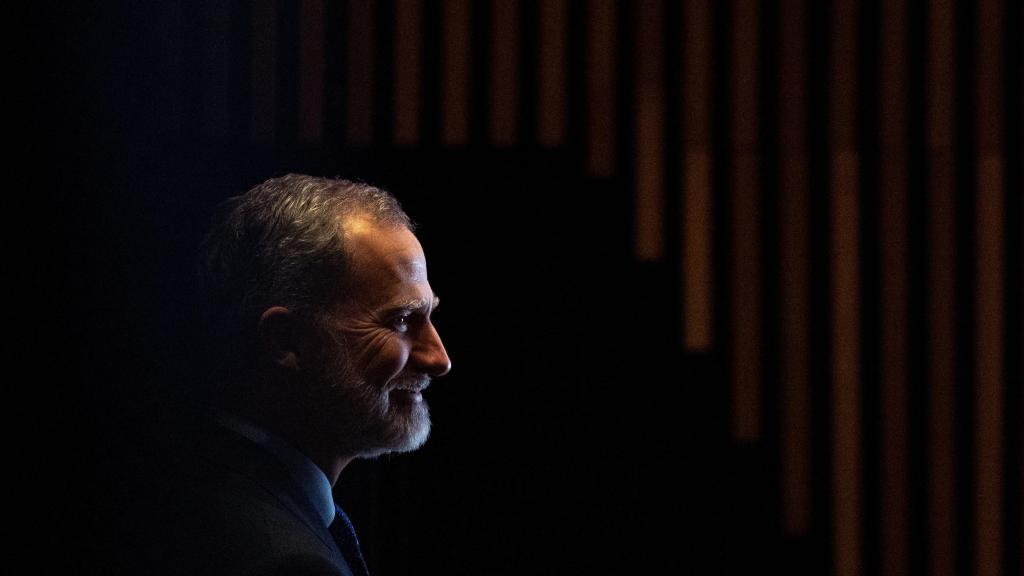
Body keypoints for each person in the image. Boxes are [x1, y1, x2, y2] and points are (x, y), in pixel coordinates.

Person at [128, 174, 451, 575]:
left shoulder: (179, 484)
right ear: (286, 340)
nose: (439, 359)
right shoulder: (285, 561)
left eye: (430, 315)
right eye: (402, 320)